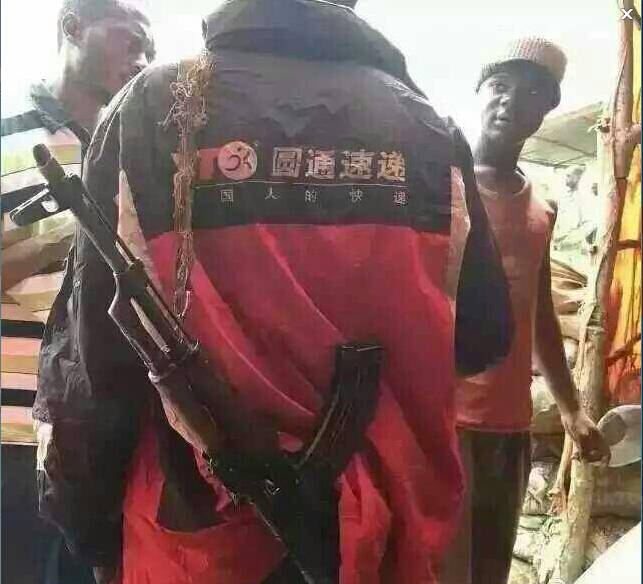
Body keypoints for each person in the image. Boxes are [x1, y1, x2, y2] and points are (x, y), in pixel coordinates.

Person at [34, 1, 513, 583]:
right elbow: (483, 338)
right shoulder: (430, 131)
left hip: (190, 544)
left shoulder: (149, 109)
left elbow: (93, 374)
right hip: (380, 540)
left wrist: (88, 530)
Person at [442, 38, 610, 584]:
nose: (511, 101)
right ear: (479, 92)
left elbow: (538, 315)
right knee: (442, 569)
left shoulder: (542, 208)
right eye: (499, 85)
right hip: (445, 419)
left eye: (532, 93)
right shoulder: (441, 188)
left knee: (490, 568)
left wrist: (571, 409)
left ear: (546, 110)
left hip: (509, 423)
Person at [0, 1, 154, 583]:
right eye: (130, 38)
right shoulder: (5, 131)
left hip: (114, 441)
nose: (144, 57)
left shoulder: (146, 148)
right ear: (72, 28)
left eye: (150, 47)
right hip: (14, 435)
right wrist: (77, 226)